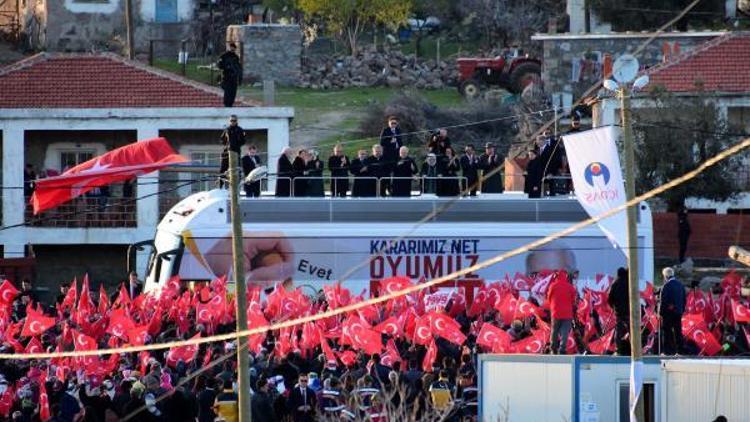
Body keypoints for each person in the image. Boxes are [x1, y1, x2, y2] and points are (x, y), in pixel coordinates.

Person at [546, 271, 577, 354]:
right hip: (567, 313)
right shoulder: (570, 287)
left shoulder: (553, 286)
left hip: (555, 312)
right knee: (565, 332)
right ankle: (562, 348)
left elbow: (549, 297)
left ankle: (553, 349)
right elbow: (574, 299)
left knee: (554, 331)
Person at [660, 267, 686, 355]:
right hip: (678, 312)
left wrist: (660, 313)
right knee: (678, 332)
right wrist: (681, 310)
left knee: (667, 332)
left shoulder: (666, 286)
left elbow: (664, 301)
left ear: (666, 276)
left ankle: (668, 351)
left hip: (668, 313)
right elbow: (684, 299)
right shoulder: (680, 285)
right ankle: (680, 351)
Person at [607, 267, 631, 355]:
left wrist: (613, 307)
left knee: (618, 330)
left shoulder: (615, 283)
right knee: (631, 330)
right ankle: (633, 348)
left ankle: (618, 349)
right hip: (629, 311)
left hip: (619, 311)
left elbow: (609, 298)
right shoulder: (630, 283)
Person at [219, 115, 246, 188]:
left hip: (236, 152)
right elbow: (222, 140)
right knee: (223, 169)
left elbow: (243, 141)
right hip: (227, 151)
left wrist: (236, 144)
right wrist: (228, 144)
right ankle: (221, 185)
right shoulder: (227, 130)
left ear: (237, 121)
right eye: (231, 121)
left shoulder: (240, 130)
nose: (232, 122)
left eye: (234, 121)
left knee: (236, 169)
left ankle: (237, 186)